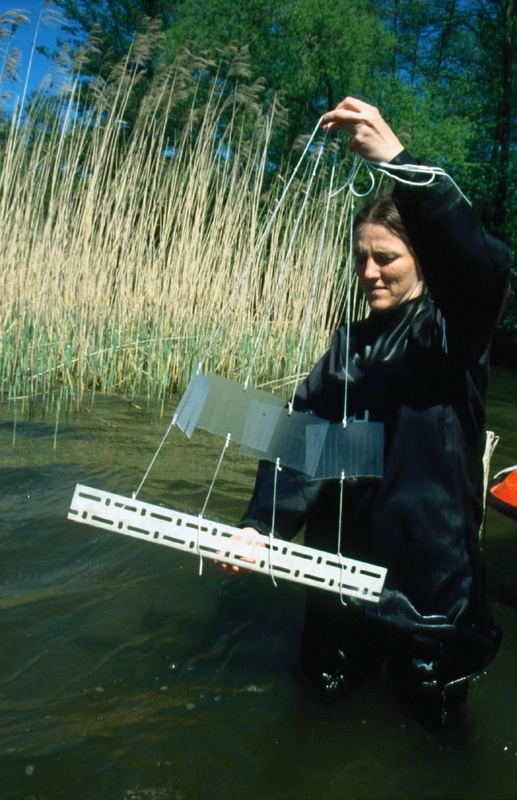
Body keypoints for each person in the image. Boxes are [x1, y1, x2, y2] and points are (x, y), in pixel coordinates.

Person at [234, 97, 512, 725]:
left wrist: (401, 166)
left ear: (421, 260)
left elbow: (484, 270)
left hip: (431, 582)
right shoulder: (346, 346)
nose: (370, 271)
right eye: (361, 257)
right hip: (341, 571)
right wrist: (261, 527)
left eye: (386, 257)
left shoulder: (452, 332)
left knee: (433, 726)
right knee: (319, 706)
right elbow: (303, 441)